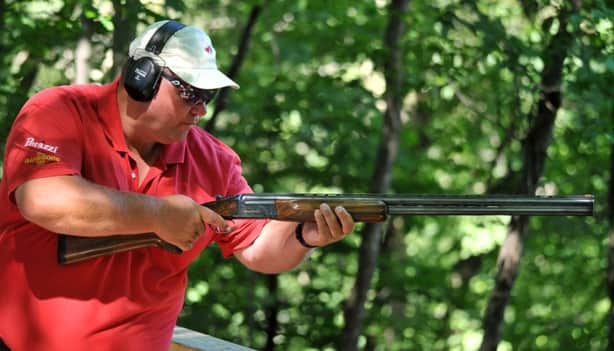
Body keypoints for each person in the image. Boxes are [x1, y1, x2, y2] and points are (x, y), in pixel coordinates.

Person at [0, 19, 354, 350]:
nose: (200, 110)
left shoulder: (213, 160)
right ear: (142, 77)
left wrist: (304, 235)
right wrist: (157, 215)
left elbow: (258, 246)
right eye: (190, 93)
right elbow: (42, 198)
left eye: (207, 97)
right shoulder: (59, 112)